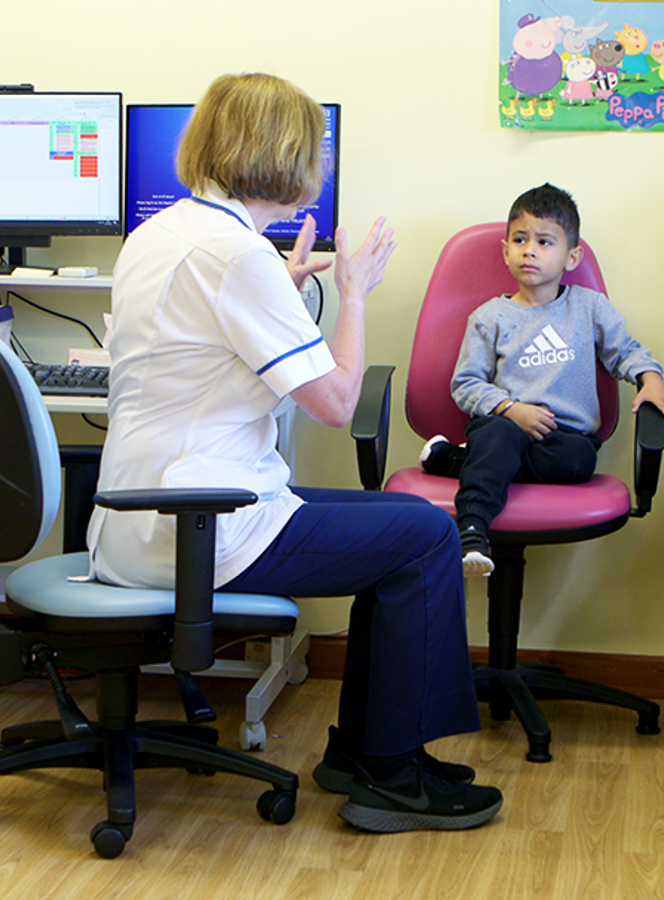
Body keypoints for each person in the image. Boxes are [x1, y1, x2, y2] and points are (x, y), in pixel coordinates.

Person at [85, 73, 502, 833]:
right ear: (285, 154)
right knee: (424, 534)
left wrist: (277, 287)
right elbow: (338, 404)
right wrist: (355, 291)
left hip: (143, 515)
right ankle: (391, 774)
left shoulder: (164, 234)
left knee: (401, 524)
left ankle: (367, 753)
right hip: (199, 521)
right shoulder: (234, 255)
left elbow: (203, 348)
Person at [419, 183, 664, 576]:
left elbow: (624, 349)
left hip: (565, 439)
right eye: (520, 240)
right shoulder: (490, 317)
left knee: (578, 462)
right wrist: (510, 409)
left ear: (572, 256)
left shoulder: (588, 308)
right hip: (505, 423)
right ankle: (472, 528)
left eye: (544, 241)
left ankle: (454, 460)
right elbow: (466, 384)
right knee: (498, 439)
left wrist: (650, 377)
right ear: (505, 250)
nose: (530, 250)